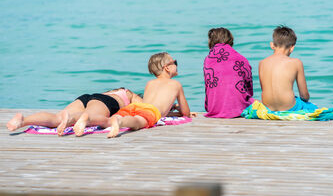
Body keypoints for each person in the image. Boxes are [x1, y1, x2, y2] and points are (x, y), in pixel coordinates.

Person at [107, 52, 196, 138]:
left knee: (127, 114)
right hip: (150, 111)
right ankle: (120, 122)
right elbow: (186, 113)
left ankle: (116, 118)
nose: (176, 65)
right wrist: (177, 107)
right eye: (175, 62)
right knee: (138, 121)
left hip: (137, 106)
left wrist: (173, 110)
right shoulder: (176, 84)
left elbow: (149, 107)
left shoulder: (150, 83)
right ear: (167, 68)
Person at [6, 87, 143, 136]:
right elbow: (146, 108)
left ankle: (23, 121)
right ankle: (78, 119)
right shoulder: (129, 94)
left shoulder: (111, 91)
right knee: (92, 115)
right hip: (104, 101)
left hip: (87, 97)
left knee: (56, 118)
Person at [258, 25, 318, 111]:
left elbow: (264, 89)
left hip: (268, 107)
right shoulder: (296, 62)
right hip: (289, 107)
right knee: (312, 107)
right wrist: (306, 100)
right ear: (292, 48)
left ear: (272, 45)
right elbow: (304, 95)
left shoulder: (262, 63)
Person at [203, 27, 254, 118]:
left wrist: (208, 106)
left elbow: (209, 87)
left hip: (214, 108)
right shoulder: (240, 58)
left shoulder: (208, 59)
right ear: (230, 40)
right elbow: (248, 86)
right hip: (239, 108)